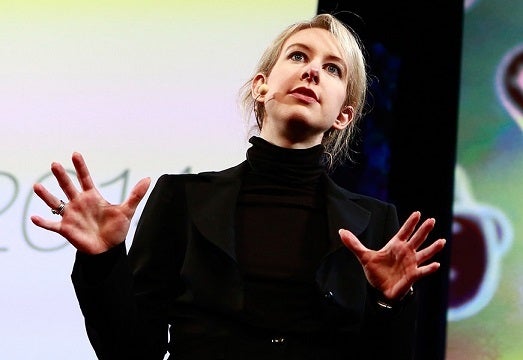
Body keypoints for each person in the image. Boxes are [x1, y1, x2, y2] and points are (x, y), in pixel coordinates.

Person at [31, 13, 446, 360]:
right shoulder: (182, 198)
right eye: (299, 55)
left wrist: (389, 303)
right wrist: (104, 261)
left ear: (344, 115)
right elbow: (132, 351)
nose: (312, 70)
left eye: (333, 68)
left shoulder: (375, 222)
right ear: (261, 87)